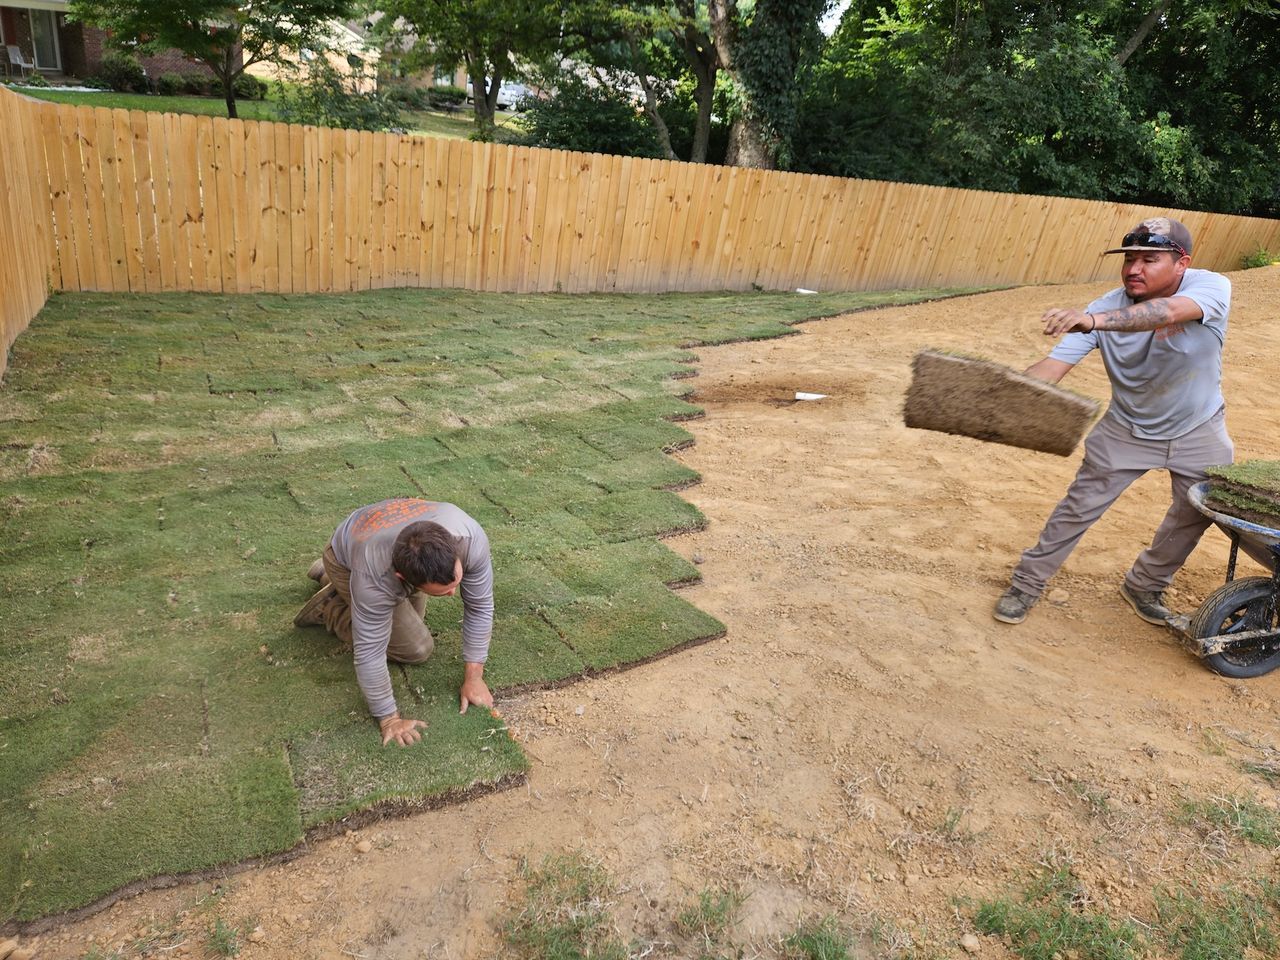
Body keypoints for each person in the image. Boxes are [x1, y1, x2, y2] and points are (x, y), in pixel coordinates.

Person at [993, 217, 1234, 626]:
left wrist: (1093, 322)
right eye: (1129, 260)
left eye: (1149, 259)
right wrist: (1005, 391)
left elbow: (1170, 311)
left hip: (1200, 427)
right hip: (1126, 429)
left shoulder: (1209, 286)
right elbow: (1054, 366)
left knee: (1195, 512)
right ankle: (1027, 583)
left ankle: (1145, 584)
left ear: (1181, 263)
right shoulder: (1103, 308)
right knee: (1078, 507)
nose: (1133, 269)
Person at [295, 497, 496, 746]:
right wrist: (389, 719)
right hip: (349, 558)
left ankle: (333, 583)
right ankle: (330, 606)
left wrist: (474, 677)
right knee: (416, 648)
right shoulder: (375, 576)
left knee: (412, 623)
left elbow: (480, 606)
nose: (453, 594)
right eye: (442, 590)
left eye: (455, 582)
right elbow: (370, 651)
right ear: (403, 578)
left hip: (379, 543)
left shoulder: (469, 537)